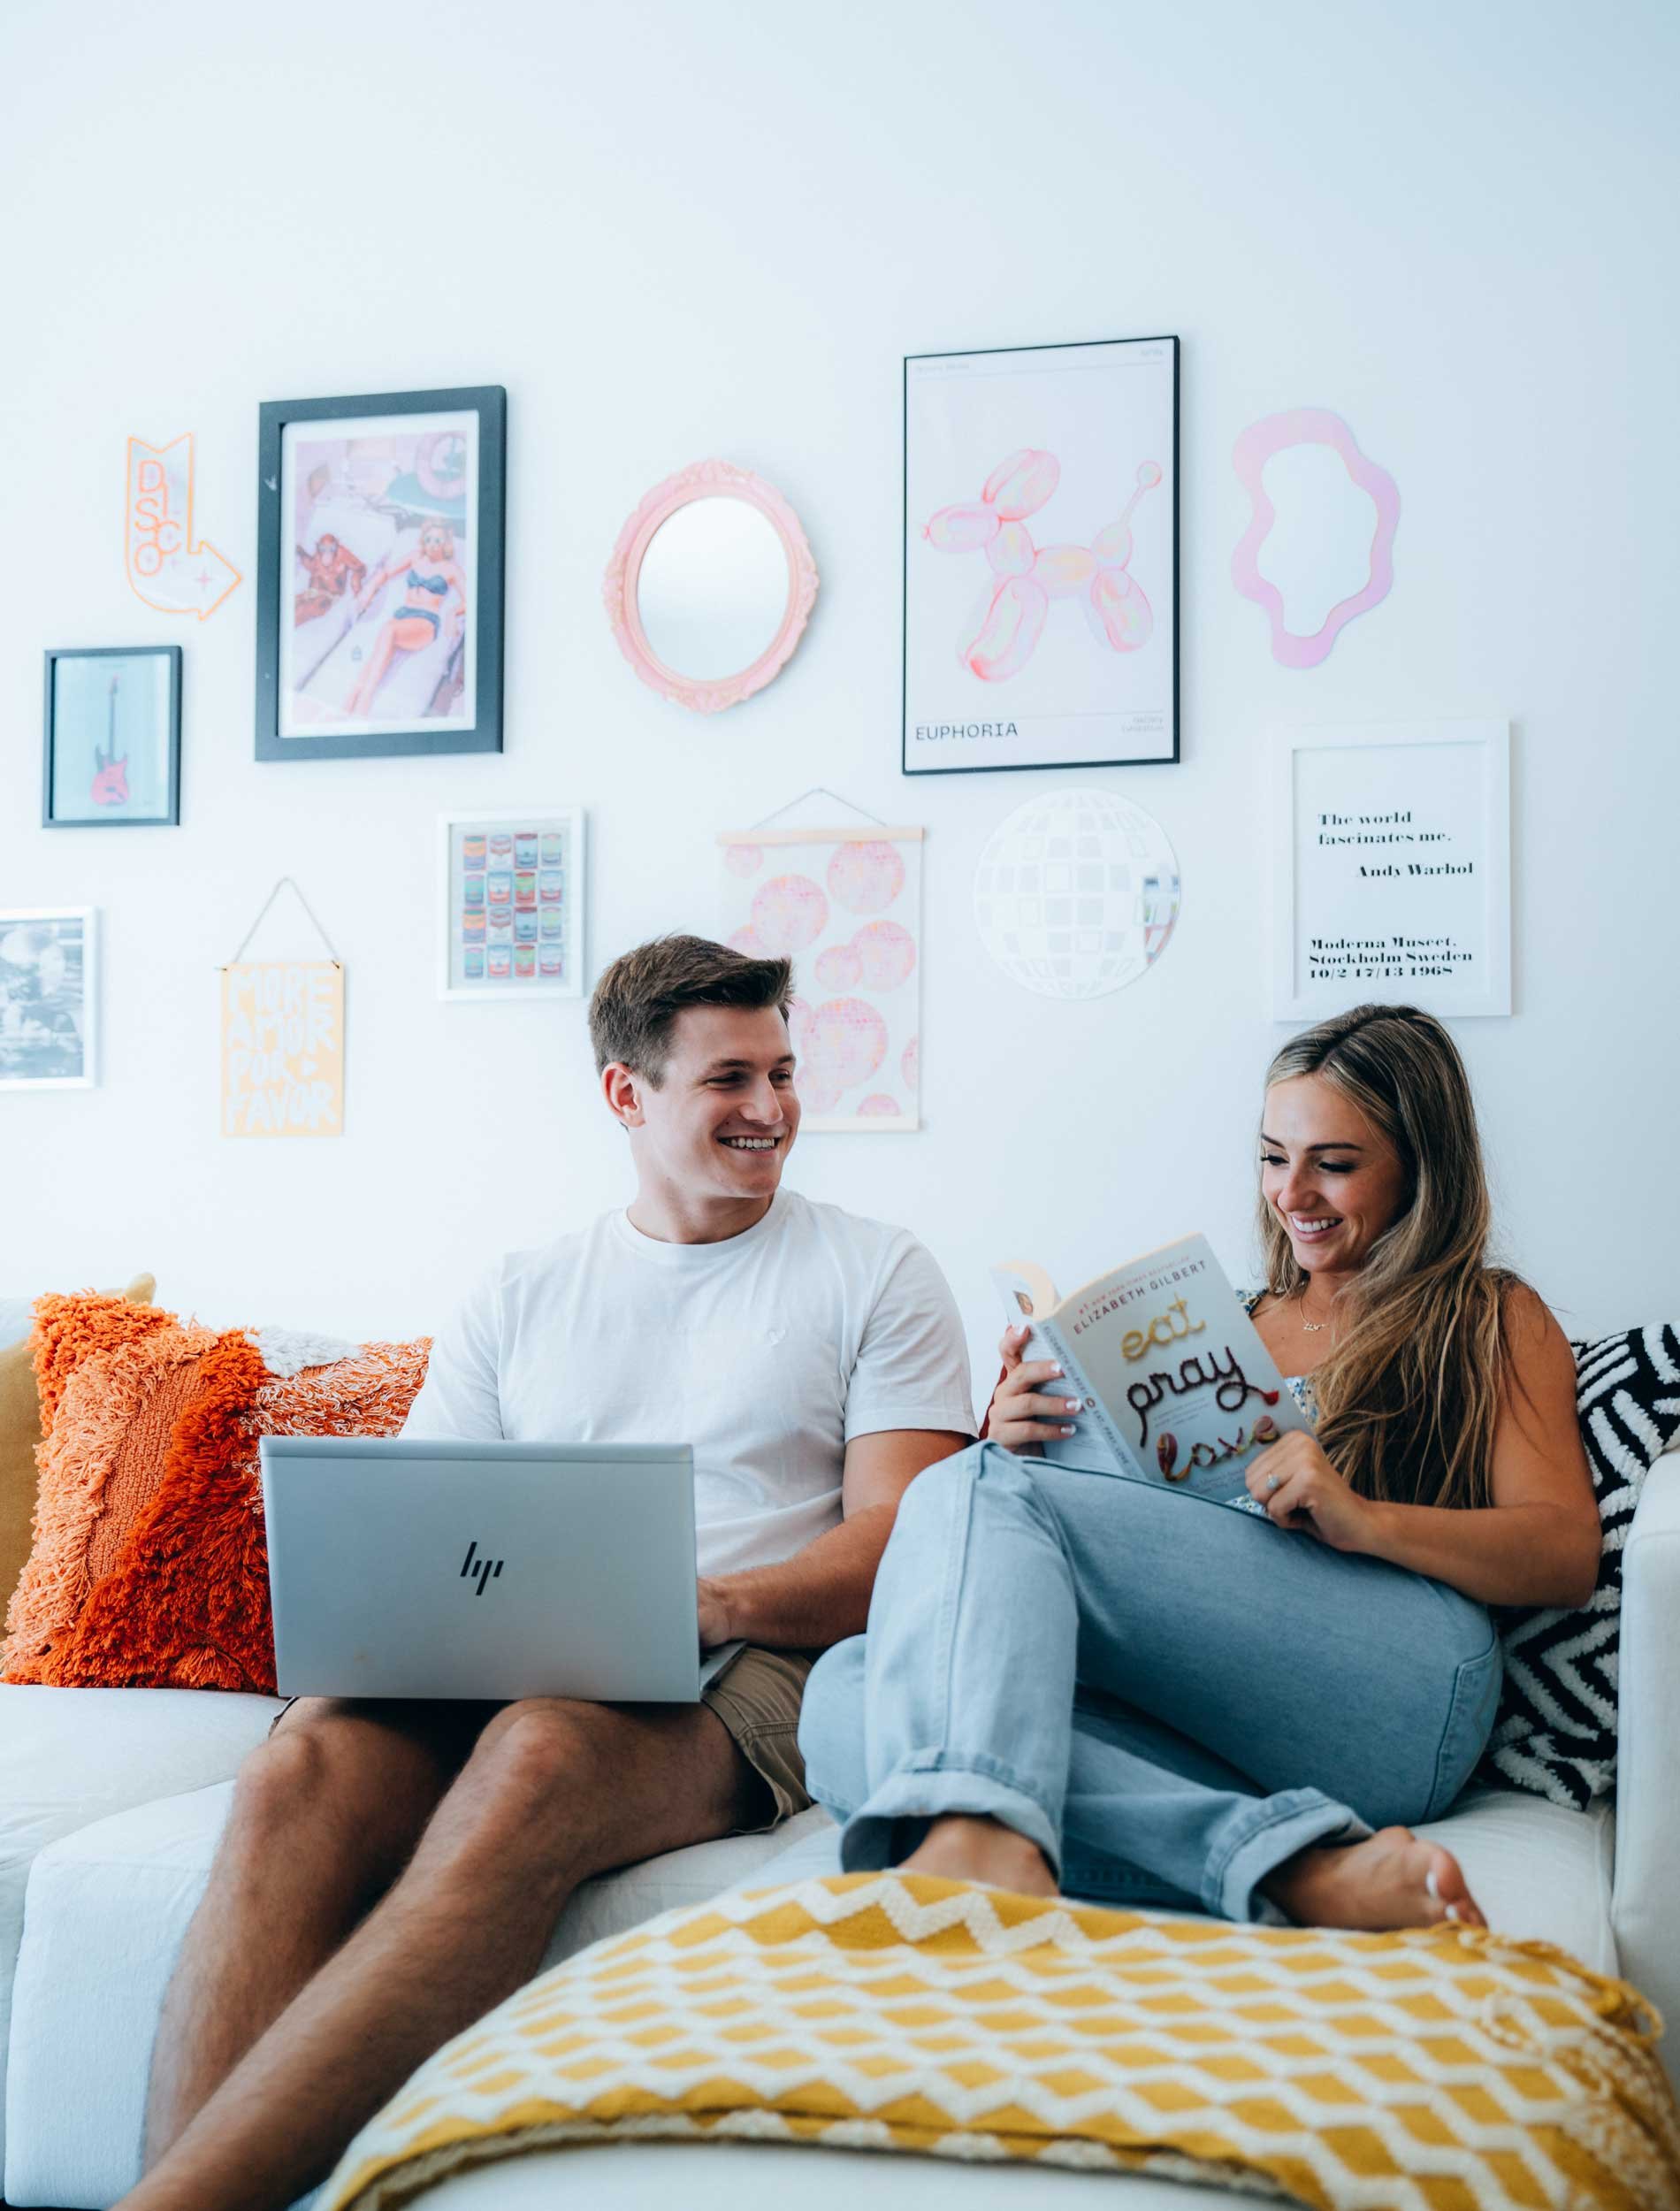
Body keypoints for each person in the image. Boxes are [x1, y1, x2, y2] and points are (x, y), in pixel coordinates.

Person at [124, 934, 974, 2211]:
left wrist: (707, 1602)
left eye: (783, 1073)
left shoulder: (876, 1270)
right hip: (516, 1649)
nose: (772, 1109)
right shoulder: (523, 1292)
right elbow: (416, 1525)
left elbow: (902, 1540)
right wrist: (360, 1665)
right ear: (627, 1096)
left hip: (761, 1661)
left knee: (539, 1750)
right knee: (296, 1767)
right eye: (729, 1079)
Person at [799, 1003, 1600, 1936]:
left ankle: (982, 1829)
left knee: (969, 1493)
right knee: (849, 1690)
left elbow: (1562, 1551)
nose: (1291, 1191)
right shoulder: (1224, 1322)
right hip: (1231, 1715)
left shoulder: (1490, 1315)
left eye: (1333, 1163)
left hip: (1407, 1679)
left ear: (1421, 1169)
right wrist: (1020, 1435)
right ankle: (1294, 1868)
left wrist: (1365, 1516)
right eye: (1272, 1156)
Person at [342, 520, 466, 717]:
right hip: (403, 616)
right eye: (429, 539)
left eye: (438, 540)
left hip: (425, 622)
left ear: (446, 544)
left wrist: (452, 613)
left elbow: (472, 598)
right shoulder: (416, 557)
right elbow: (386, 572)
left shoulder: (451, 569)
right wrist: (369, 589)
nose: (433, 544)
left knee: (389, 631)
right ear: (423, 541)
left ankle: (363, 696)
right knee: (382, 645)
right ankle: (355, 693)